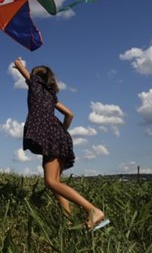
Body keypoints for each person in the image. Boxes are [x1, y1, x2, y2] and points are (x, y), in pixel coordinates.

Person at [12, 58, 109, 231]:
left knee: (50, 182)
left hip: (51, 138)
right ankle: (68, 222)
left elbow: (21, 68)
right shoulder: (51, 97)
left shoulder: (35, 86)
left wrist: (18, 63)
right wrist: (61, 132)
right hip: (59, 137)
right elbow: (70, 114)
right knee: (56, 182)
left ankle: (93, 210)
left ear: (36, 78)